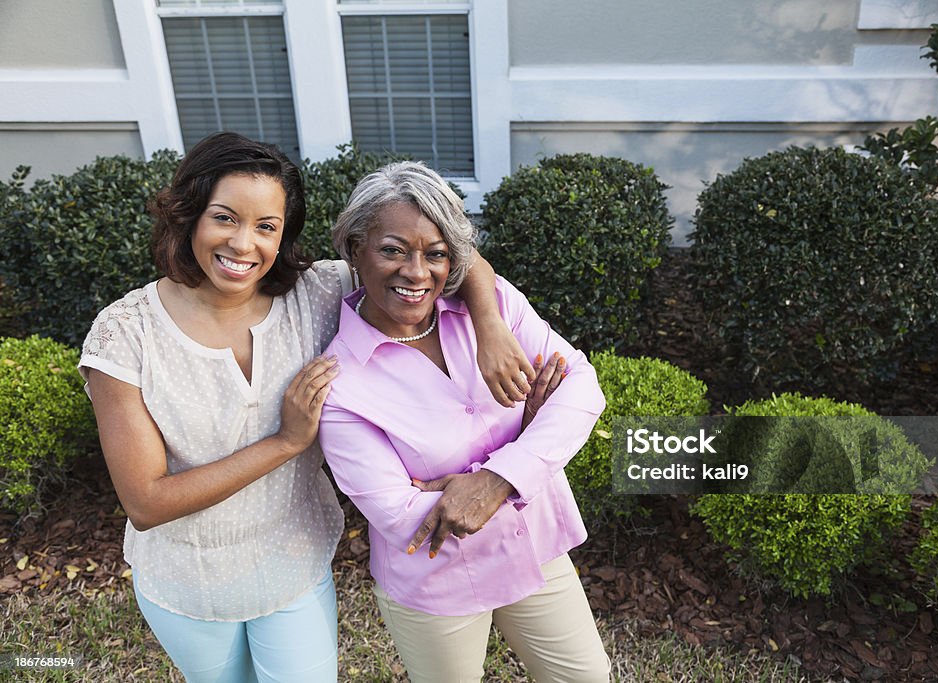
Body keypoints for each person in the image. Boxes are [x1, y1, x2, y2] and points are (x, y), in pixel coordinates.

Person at [77, 132, 536, 682]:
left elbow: (443, 254)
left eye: (266, 227)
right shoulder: (125, 333)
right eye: (225, 218)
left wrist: (488, 324)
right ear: (188, 215)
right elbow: (146, 502)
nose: (244, 244)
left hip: (292, 564)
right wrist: (286, 443)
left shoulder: (315, 294)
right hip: (186, 578)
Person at [319, 161, 611, 682]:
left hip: (535, 546)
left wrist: (496, 480)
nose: (416, 272)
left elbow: (582, 390)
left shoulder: (494, 308)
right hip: (437, 581)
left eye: (435, 254)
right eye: (392, 250)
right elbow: (399, 511)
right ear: (355, 248)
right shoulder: (339, 384)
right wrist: (528, 440)